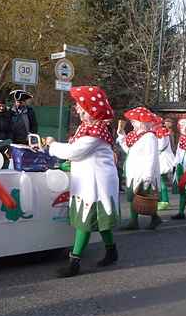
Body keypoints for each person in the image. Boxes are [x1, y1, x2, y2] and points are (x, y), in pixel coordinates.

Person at [46, 86, 119, 278]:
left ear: (91, 110)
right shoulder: (86, 128)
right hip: (88, 180)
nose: (77, 109)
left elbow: (74, 151)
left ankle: (74, 262)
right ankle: (112, 251)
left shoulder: (95, 132)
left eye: (80, 106)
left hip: (95, 184)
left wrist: (52, 145)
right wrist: (68, 166)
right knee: (99, 220)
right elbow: (80, 155)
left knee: (85, 222)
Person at [117, 106, 162, 231]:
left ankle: (153, 218)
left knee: (144, 197)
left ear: (141, 122)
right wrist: (121, 138)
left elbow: (151, 157)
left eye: (134, 121)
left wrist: (148, 176)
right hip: (133, 172)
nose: (131, 123)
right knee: (132, 196)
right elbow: (129, 151)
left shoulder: (149, 137)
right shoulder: (136, 136)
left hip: (142, 173)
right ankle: (134, 221)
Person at [155, 117, 175, 211]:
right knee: (159, 180)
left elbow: (161, 146)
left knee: (161, 181)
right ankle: (161, 200)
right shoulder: (162, 131)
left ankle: (164, 201)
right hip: (162, 158)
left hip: (162, 159)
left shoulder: (161, 131)